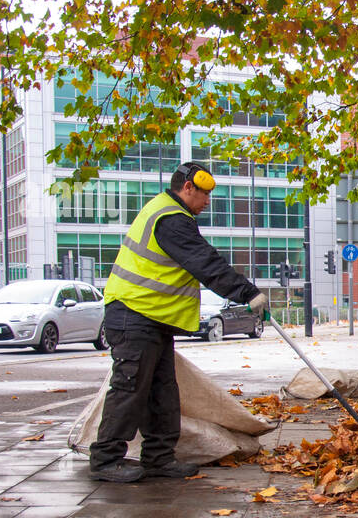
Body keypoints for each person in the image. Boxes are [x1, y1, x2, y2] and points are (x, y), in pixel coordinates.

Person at [89, 161, 269, 483]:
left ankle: (159, 459)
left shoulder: (173, 215)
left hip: (152, 317)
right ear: (188, 188)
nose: (208, 201)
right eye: (205, 194)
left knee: (163, 392)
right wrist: (247, 293)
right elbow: (205, 262)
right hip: (134, 314)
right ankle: (105, 459)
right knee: (130, 389)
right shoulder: (170, 219)